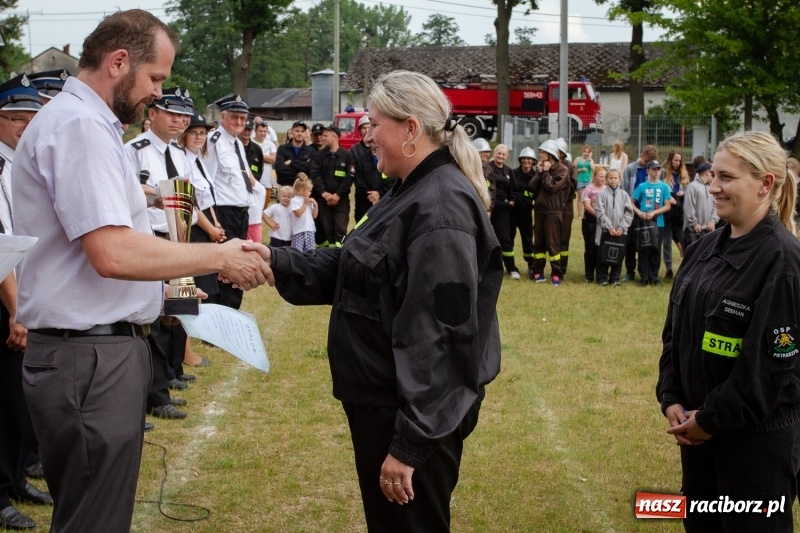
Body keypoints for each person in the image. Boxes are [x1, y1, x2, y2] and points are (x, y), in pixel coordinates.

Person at [11, 11, 270, 532]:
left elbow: (100, 254)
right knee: (95, 520)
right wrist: (220, 256)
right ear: (118, 62)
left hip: (91, 352)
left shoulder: (83, 123)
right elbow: (112, 253)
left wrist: (169, 299)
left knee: (90, 512)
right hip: (89, 358)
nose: (156, 93)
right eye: (155, 78)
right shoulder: (79, 126)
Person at [248, 70, 501, 532]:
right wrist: (275, 260)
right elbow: (356, 267)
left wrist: (410, 444)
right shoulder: (407, 189)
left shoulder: (440, 208)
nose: (366, 136)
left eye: (374, 124)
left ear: (411, 128)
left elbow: (443, 337)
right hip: (385, 405)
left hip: (407, 416)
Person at [658, 131, 800, 532]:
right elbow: (675, 335)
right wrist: (671, 396)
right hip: (698, 435)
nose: (713, 186)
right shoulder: (702, 250)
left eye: (727, 177)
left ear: (765, 184)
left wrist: (709, 419)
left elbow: (767, 370)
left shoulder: (783, 262)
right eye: (712, 175)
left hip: (754, 444)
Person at [0, 74, 53, 532]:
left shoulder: (23, 164)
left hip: (27, 289)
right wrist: (16, 311)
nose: (25, 126)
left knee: (20, 400)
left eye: (31, 118)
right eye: (15, 118)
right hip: (7, 294)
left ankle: (16, 478)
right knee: (4, 402)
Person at [206, 93, 257, 310]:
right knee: (223, 265)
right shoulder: (213, 142)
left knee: (238, 263)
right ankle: (219, 312)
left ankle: (231, 310)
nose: (239, 122)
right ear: (223, 117)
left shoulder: (237, 143)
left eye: (242, 118)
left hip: (241, 212)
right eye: (234, 117)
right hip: (223, 212)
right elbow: (207, 182)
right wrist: (213, 220)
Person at [530, 139, 570, 285]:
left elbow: (551, 187)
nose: (540, 154)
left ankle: (556, 274)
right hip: (539, 211)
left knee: (553, 244)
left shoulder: (562, 170)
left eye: (542, 152)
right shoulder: (541, 168)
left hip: (553, 212)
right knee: (539, 244)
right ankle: (538, 272)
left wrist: (546, 172)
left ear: (550, 154)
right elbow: (532, 187)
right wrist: (540, 173)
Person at [309, 123, 354, 247]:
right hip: (324, 200)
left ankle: (340, 252)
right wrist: (324, 193)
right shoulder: (319, 156)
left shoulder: (347, 156)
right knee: (327, 227)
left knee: (340, 227)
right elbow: (315, 174)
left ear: (334, 137)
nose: (322, 138)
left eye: (325, 136)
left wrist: (338, 195)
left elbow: (349, 177)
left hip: (341, 199)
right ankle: (330, 253)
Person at [631, 160, 672, 286]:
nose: (656, 172)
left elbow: (667, 205)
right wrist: (639, 212)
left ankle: (654, 276)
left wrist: (655, 212)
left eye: (658, 169)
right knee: (644, 249)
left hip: (658, 223)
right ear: (648, 170)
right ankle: (644, 277)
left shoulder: (664, 186)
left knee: (656, 249)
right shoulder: (642, 186)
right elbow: (631, 202)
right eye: (654, 169)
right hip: (644, 223)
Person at [622, 145, 658, 281]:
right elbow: (625, 189)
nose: (648, 164)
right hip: (632, 210)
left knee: (647, 242)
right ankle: (630, 271)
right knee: (630, 243)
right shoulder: (630, 169)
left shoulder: (654, 170)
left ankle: (647, 272)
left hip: (649, 212)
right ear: (642, 155)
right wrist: (628, 208)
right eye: (646, 161)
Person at [351, 114, 395, 222]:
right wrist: (370, 195)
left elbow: (392, 179)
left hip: (384, 200)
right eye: (364, 128)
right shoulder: (360, 157)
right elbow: (358, 178)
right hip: (364, 201)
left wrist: (379, 193)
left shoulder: (388, 158)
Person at [485, 144, 519, 278]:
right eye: (499, 153)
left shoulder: (509, 171)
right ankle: (486, 267)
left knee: (505, 238)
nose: (501, 156)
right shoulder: (487, 168)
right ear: (494, 153)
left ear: (507, 157)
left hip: (503, 209)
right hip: (487, 207)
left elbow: (515, 189)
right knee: (487, 237)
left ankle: (511, 268)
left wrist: (512, 201)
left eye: (504, 154)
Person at [594, 168, 633, 286]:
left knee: (618, 254)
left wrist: (621, 227)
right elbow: (599, 211)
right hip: (606, 230)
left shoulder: (624, 195)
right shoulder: (602, 194)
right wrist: (609, 227)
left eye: (615, 178)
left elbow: (629, 212)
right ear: (606, 179)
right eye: (610, 178)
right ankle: (602, 278)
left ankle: (615, 278)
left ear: (619, 179)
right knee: (603, 254)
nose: (613, 180)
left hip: (620, 231)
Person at [661, 150, 689, 278]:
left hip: (679, 210)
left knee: (683, 239)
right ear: (670, 160)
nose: (677, 163)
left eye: (679, 160)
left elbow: (688, 190)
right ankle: (669, 269)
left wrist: (684, 193)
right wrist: (668, 196)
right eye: (675, 160)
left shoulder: (683, 174)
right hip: (667, 210)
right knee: (666, 240)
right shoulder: (663, 173)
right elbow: (660, 189)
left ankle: (685, 267)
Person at [510, 147, 536, 279]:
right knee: (509, 239)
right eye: (524, 158)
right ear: (520, 160)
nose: (526, 161)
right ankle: (510, 267)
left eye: (529, 159)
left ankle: (531, 266)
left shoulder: (536, 176)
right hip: (512, 213)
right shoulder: (513, 173)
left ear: (533, 161)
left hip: (526, 213)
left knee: (527, 240)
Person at [681, 161, 716, 250]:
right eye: (712, 174)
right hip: (693, 231)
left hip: (708, 231)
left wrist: (713, 221)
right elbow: (688, 207)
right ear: (707, 173)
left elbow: (715, 205)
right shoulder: (692, 186)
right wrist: (694, 223)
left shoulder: (711, 188)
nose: (713, 177)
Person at [581, 166, 606, 283]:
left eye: (604, 177)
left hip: (604, 223)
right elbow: (587, 206)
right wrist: (599, 216)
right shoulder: (588, 189)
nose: (603, 179)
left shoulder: (607, 189)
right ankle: (589, 275)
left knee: (601, 248)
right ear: (594, 176)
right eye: (600, 176)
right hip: (590, 222)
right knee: (590, 247)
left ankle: (601, 273)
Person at [275, 120, 314, 187]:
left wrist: (291, 163)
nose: (299, 134)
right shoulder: (282, 149)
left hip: (304, 188)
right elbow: (279, 169)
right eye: (297, 131)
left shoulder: (311, 151)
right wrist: (301, 171)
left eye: (302, 131)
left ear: (305, 133)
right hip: (286, 187)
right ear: (292, 132)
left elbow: (311, 169)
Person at [289, 174, 318, 251]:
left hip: (310, 229)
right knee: (297, 252)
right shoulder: (294, 201)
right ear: (302, 190)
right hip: (299, 231)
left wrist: (316, 205)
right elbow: (298, 214)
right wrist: (305, 204)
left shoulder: (308, 200)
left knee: (310, 252)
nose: (310, 193)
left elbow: (314, 216)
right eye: (309, 191)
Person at [575, 143, 594, 217]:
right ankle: (580, 214)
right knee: (580, 198)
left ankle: (588, 213)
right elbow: (573, 169)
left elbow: (592, 168)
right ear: (582, 152)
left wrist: (590, 159)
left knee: (588, 198)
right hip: (580, 180)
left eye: (588, 152)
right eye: (585, 151)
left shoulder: (590, 160)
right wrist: (581, 170)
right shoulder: (578, 159)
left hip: (588, 181)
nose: (586, 153)